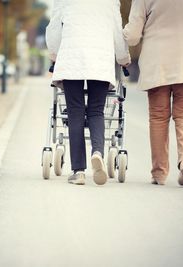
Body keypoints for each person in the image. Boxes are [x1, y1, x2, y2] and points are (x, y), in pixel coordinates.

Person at [123, 0, 183, 186]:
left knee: (158, 117)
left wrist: (120, 33)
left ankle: (159, 173)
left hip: (158, 62)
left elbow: (132, 36)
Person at [46, 0, 131, 185]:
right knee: (96, 110)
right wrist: (123, 58)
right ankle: (98, 152)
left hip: (72, 59)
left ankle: (78, 172)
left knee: (75, 111)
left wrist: (54, 54)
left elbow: (54, 29)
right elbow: (118, 32)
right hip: (100, 60)